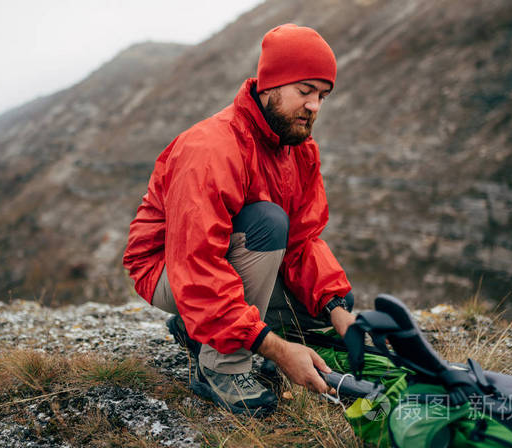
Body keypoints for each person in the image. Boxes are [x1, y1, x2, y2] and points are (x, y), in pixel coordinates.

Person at [123, 24, 355, 415]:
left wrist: (338, 310)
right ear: (270, 86)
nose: (315, 105)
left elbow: (303, 242)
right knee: (267, 222)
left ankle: (198, 331)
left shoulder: (298, 150)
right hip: (171, 270)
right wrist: (277, 349)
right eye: (305, 91)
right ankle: (221, 365)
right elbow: (198, 267)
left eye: (322, 95)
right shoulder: (211, 148)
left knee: (330, 305)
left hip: (222, 266)